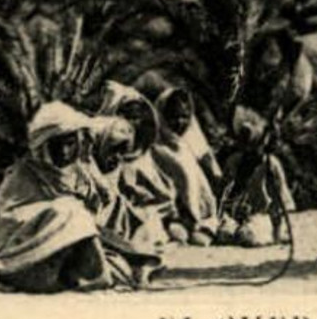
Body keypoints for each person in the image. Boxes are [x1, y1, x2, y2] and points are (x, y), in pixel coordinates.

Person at [0, 103, 135, 294]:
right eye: (58, 145)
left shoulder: (81, 171)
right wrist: (63, 217)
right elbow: (10, 219)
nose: (65, 152)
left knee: (122, 266)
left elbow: (102, 206)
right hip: (29, 254)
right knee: (71, 212)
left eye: (70, 144)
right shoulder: (23, 173)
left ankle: (89, 274)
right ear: (45, 146)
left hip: (69, 252)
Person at [135, 77, 223, 245]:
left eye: (184, 117)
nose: (180, 123)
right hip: (167, 216)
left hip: (193, 217)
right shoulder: (153, 148)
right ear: (161, 116)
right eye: (174, 117)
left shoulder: (185, 148)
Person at [96, 81, 179, 243]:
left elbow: (161, 195)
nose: (134, 123)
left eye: (137, 118)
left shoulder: (142, 155)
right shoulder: (101, 146)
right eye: (128, 117)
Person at [90, 116, 169, 282]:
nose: (118, 157)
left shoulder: (118, 168)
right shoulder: (85, 171)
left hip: (115, 228)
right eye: (113, 150)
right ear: (98, 146)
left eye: (122, 152)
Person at [217, 106, 295, 248]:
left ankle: (270, 234)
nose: (250, 150)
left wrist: (276, 229)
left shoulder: (270, 164)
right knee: (224, 234)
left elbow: (280, 200)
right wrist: (227, 212)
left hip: (260, 215)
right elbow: (224, 192)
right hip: (236, 215)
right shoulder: (234, 162)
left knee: (248, 236)